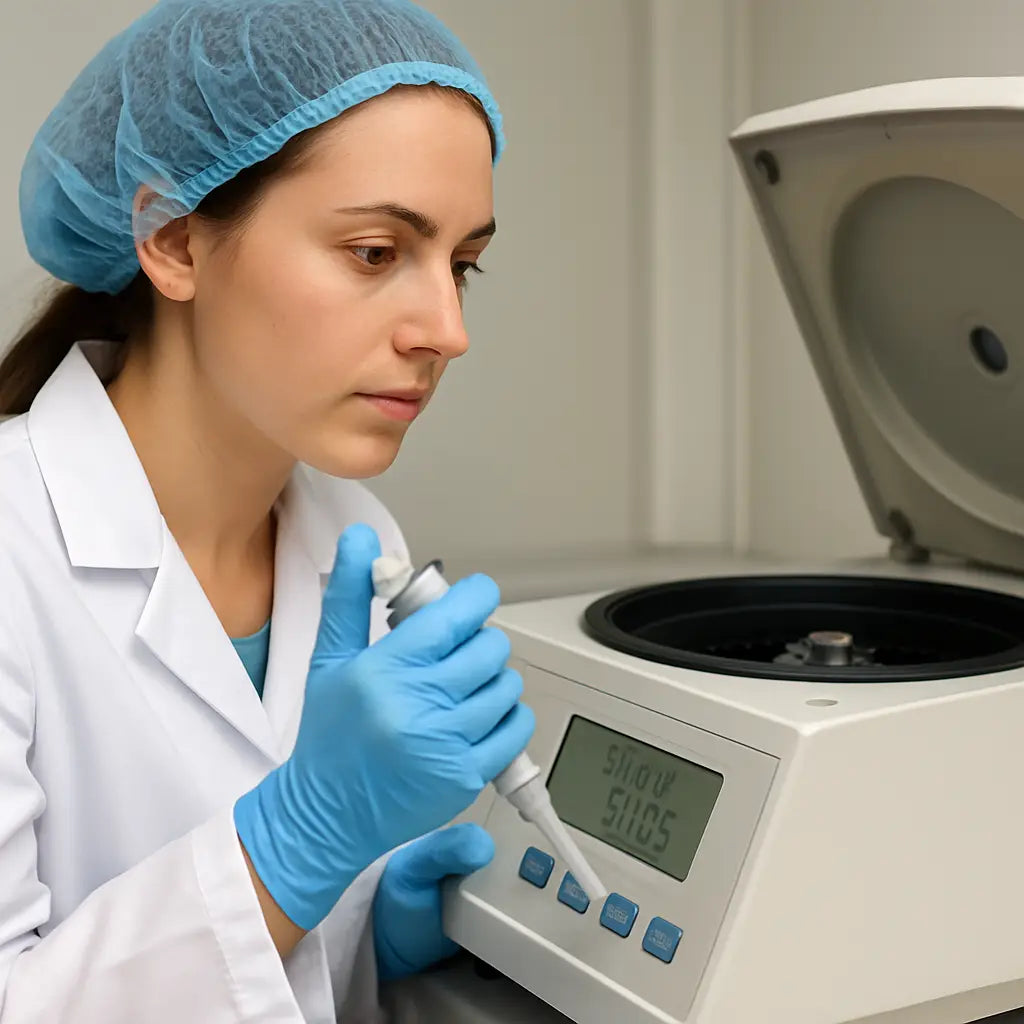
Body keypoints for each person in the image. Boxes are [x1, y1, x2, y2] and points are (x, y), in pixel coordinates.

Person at [0, 0, 535, 1020]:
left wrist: (367, 936)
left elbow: (267, 957)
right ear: (174, 243)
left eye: (461, 264)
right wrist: (297, 840)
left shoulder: (355, 538)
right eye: (378, 252)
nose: (447, 329)